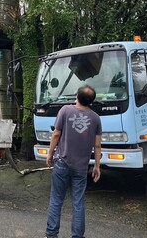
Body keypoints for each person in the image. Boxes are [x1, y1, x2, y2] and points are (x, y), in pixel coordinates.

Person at [45, 85, 102, 238]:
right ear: (91, 101)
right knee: (78, 203)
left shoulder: (65, 110)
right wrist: (97, 165)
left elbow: (56, 134)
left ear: (77, 96)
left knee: (56, 199)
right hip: (81, 168)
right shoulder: (96, 118)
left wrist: (50, 154)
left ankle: (51, 234)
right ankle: (77, 236)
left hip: (62, 162)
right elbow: (97, 145)